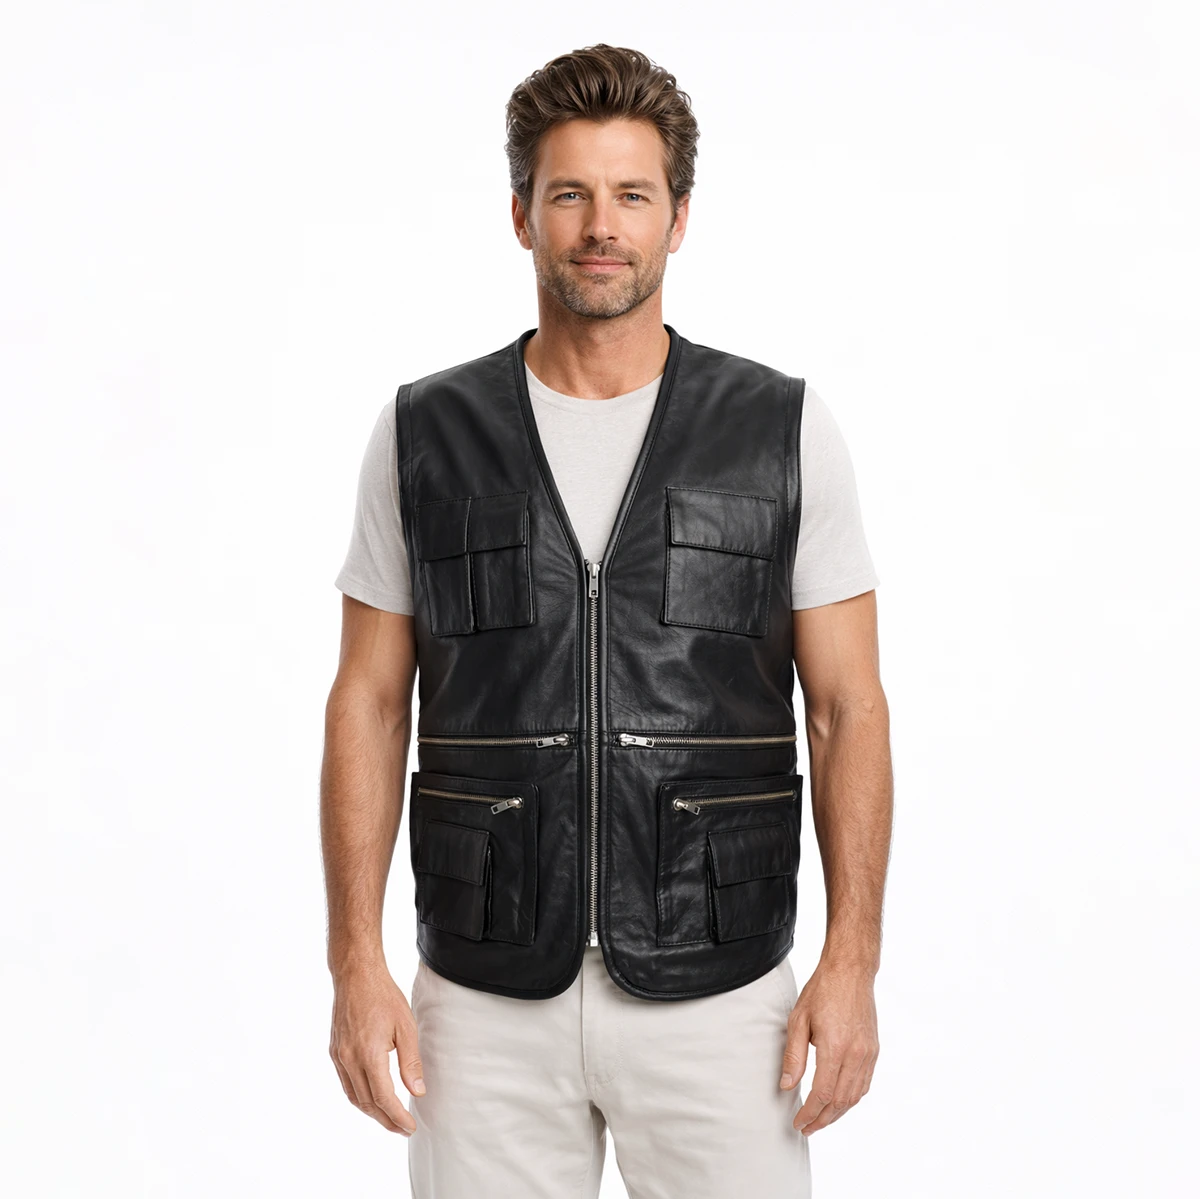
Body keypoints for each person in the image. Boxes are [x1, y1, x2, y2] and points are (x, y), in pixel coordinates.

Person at [320, 43, 893, 1199]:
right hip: (481, 992)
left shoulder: (780, 430)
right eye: (569, 193)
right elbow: (369, 703)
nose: (600, 226)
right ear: (520, 214)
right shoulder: (426, 434)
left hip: (720, 985)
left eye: (632, 194)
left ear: (678, 219)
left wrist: (852, 960)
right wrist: (354, 963)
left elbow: (846, 708)